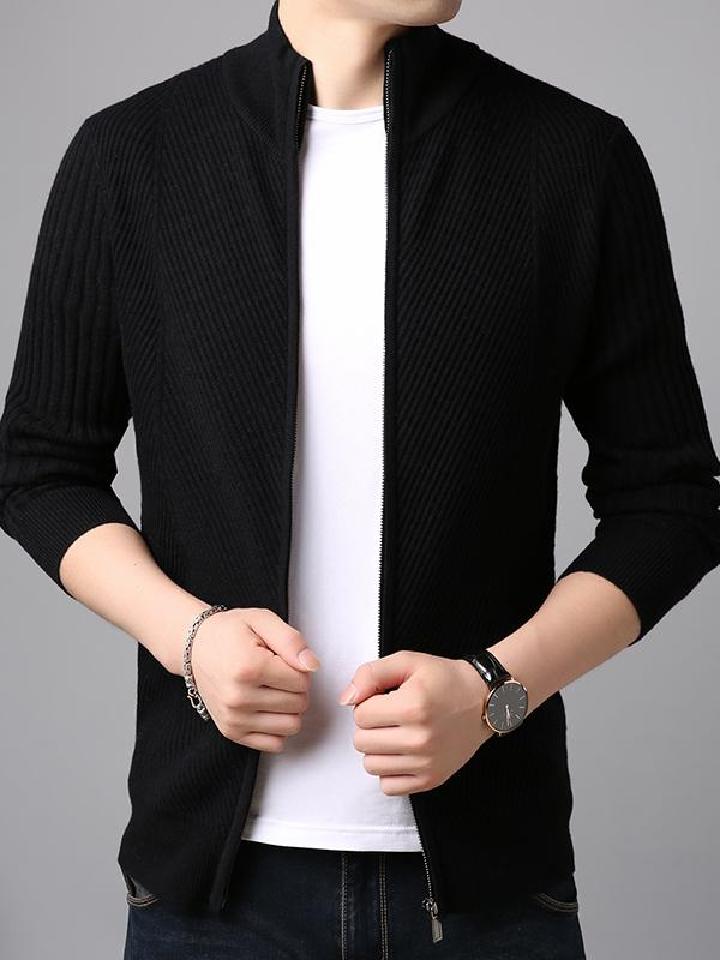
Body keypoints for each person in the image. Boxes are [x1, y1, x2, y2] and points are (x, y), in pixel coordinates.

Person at [1, 0, 719, 956]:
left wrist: (496, 692)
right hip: (213, 897)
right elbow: (41, 465)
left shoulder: (572, 156)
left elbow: (673, 501)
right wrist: (189, 638)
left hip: (489, 897)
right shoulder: (134, 155)